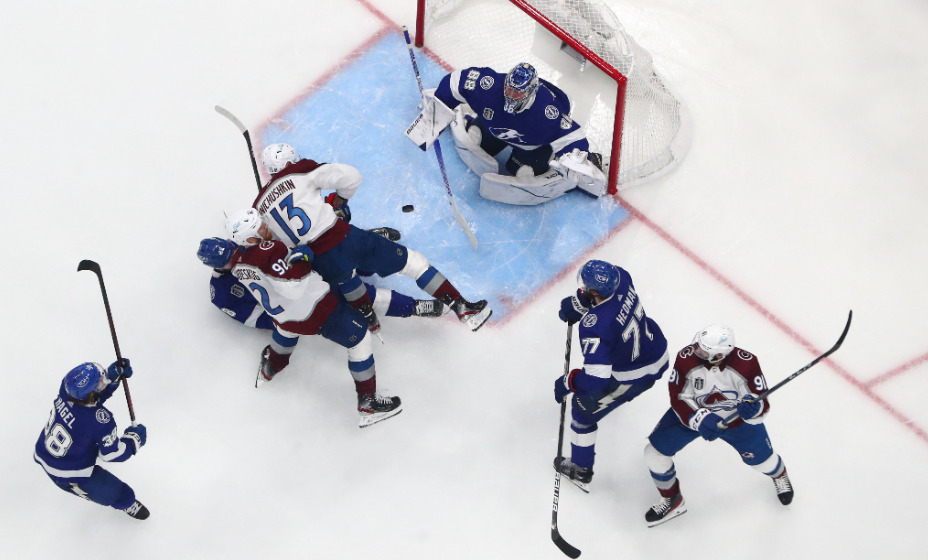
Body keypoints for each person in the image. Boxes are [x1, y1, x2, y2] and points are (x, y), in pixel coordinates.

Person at [254, 142, 491, 333]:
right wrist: (340, 201)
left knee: (347, 280)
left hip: (319, 262)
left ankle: (369, 317)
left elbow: (275, 246)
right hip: (346, 240)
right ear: (289, 161)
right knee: (414, 263)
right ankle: (461, 305)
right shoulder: (299, 170)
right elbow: (352, 177)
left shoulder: (259, 207)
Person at [204, 210, 403, 428]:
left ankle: (270, 369)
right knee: (361, 339)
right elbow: (294, 286)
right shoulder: (266, 250)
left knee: (286, 331)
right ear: (248, 239)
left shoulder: (238, 267)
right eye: (259, 227)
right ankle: (368, 404)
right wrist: (303, 258)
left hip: (283, 317)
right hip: (313, 310)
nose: (265, 226)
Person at [642, 324, 794, 527]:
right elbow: (679, 396)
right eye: (698, 345)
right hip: (693, 415)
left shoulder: (747, 363)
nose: (696, 350)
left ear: (719, 355)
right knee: (654, 454)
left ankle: (779, 474)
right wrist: (700, 418)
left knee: (763, 462)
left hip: (736, 421)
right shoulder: (686, 358)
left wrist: (753, 408)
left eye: (703, 350)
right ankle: (672, 500)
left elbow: (761, 401)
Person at [553, 259, 669, 491]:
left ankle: (580, 470)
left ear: (596, 291)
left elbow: (597, 378)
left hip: (634, 375)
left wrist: (570, 381)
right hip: (655, 348)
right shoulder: (622, 277)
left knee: (582, 411)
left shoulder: (595, 326)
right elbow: (607, 303)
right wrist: (581, 302)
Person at [425, 62, 607, 205]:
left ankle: (536, 160)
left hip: (530, 147)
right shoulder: (489, 86)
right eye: (509, 88)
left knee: (521, 171)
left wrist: (575, 158)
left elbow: (572, 135)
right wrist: (441, 103)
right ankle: (477, 127)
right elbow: (457, 80)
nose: (511, 95)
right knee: (477, 138)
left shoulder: (547, 112)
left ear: (531, 92)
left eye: (518, 92)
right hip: (494, 130)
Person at [201, 243, 447, 331]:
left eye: (233, 248)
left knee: (339, 256)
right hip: (300, 304)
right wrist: (289, 321)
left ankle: (371, 248)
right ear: (217, 266)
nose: (236, 254)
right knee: (357, 296)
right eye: (229, 257)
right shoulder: (221, 294)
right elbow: (258, 320)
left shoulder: (244, 248)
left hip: (303, 274)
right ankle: (414, 307)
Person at [34, 361, 149, 519]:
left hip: (47, 450)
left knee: (86, 436)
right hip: (69, 474)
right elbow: (111, 454)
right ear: (91, 393)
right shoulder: (99, 421)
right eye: (100, 379)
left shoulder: (66, 389)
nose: (103, 378)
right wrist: (133, 441)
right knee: (124, 496)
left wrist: (110, 379)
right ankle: (127, 504)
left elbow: (89, 402)